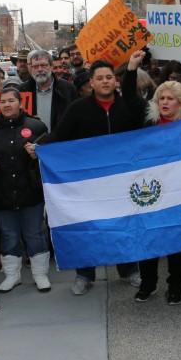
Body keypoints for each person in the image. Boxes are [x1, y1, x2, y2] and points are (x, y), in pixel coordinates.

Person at [38, 57, 147, 295]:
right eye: (100, 78)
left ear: (115, 80)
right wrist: (39, 146)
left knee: (125, 225)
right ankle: (84, 274)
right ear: (92, 82)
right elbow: (60, 134)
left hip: (123, 181)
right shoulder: (78, 108)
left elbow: (150, 127)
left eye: (109, 77)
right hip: (90, 183)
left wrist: (132, 69)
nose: (105, 81)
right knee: (88, 228)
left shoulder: (129, 105)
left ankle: (129, 270)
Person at [133, 53, 181, 305]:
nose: (165, 102)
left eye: (171, 98)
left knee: (175, 243)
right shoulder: (146, 125)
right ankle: (148, 284)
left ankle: (175, 286)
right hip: (150, 192)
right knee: (148, 239)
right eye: (162, 98)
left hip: (178, 194)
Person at [0, 87, 50, 293]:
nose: (7, 105)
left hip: (31, 191)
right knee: (8, 235)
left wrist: (38, 154)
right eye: (3, 102)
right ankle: (12, 275)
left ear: (20, 104)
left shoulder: (36, 125)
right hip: (1, 193)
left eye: (11, 101)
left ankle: (40, 274)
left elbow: (51, 153)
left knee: (34, 233)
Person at [17, 50, 78, 133]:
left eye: (43, 65)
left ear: (51, 66)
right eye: (35, 66)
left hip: (61, 142)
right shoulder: (22, 90)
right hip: (31, 142)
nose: (39, 69)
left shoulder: (68, 89)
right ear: (31, 68)